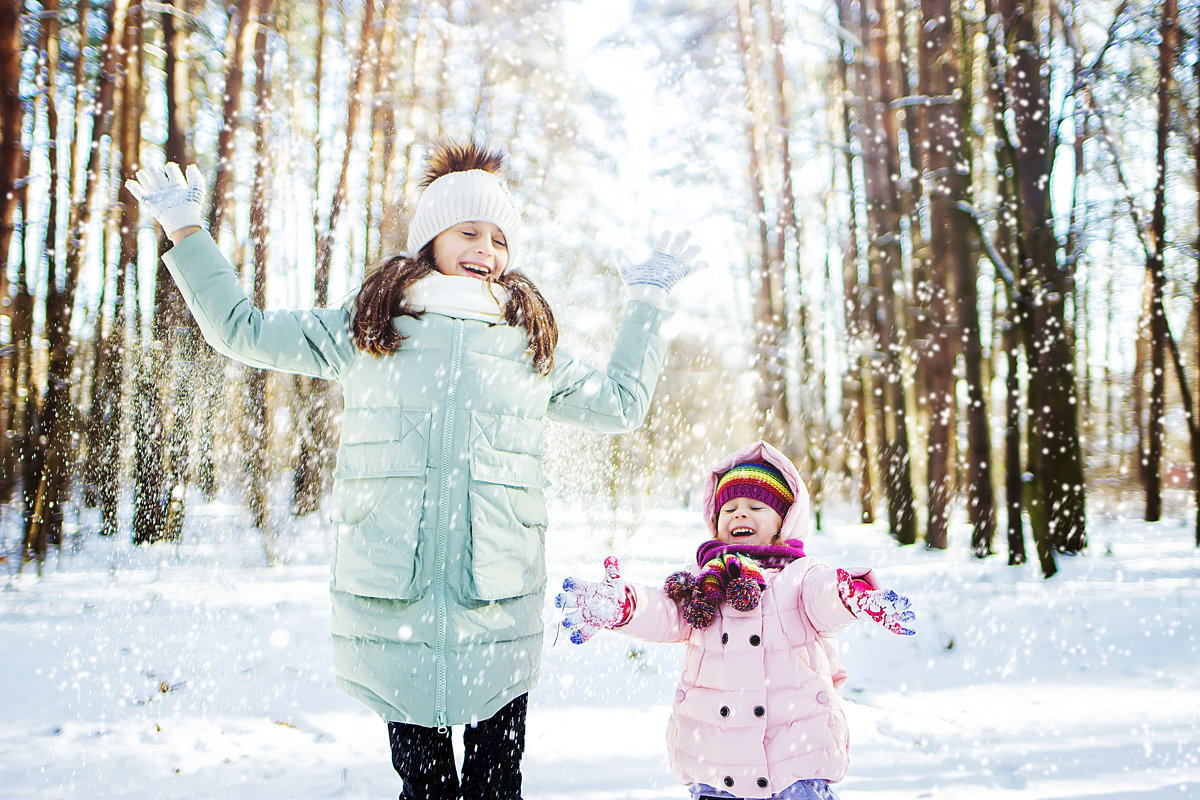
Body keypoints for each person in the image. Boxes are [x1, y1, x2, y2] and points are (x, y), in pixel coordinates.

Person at [126, 142, 702, 800]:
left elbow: (620, 406)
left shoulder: (526, 347)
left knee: (496, 787)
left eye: (499, 238)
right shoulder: (370, 328)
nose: (487, 249)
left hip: (498, 607)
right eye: (469, 232)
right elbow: (242, 330)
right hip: (393, 602)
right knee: (424, 790)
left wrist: (649, 303)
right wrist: (185, 231)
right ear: (431, 239)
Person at [556, 441, 916, 800]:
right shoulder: (703, 584)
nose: (740, 514)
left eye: (756, 506)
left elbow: (825, 599)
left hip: (796, 765)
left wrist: (852, 595)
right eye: (729, 508)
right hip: (717, 764)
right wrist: (624, 606)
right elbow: (664, 611)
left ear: (784, 521)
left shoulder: (801, 576)